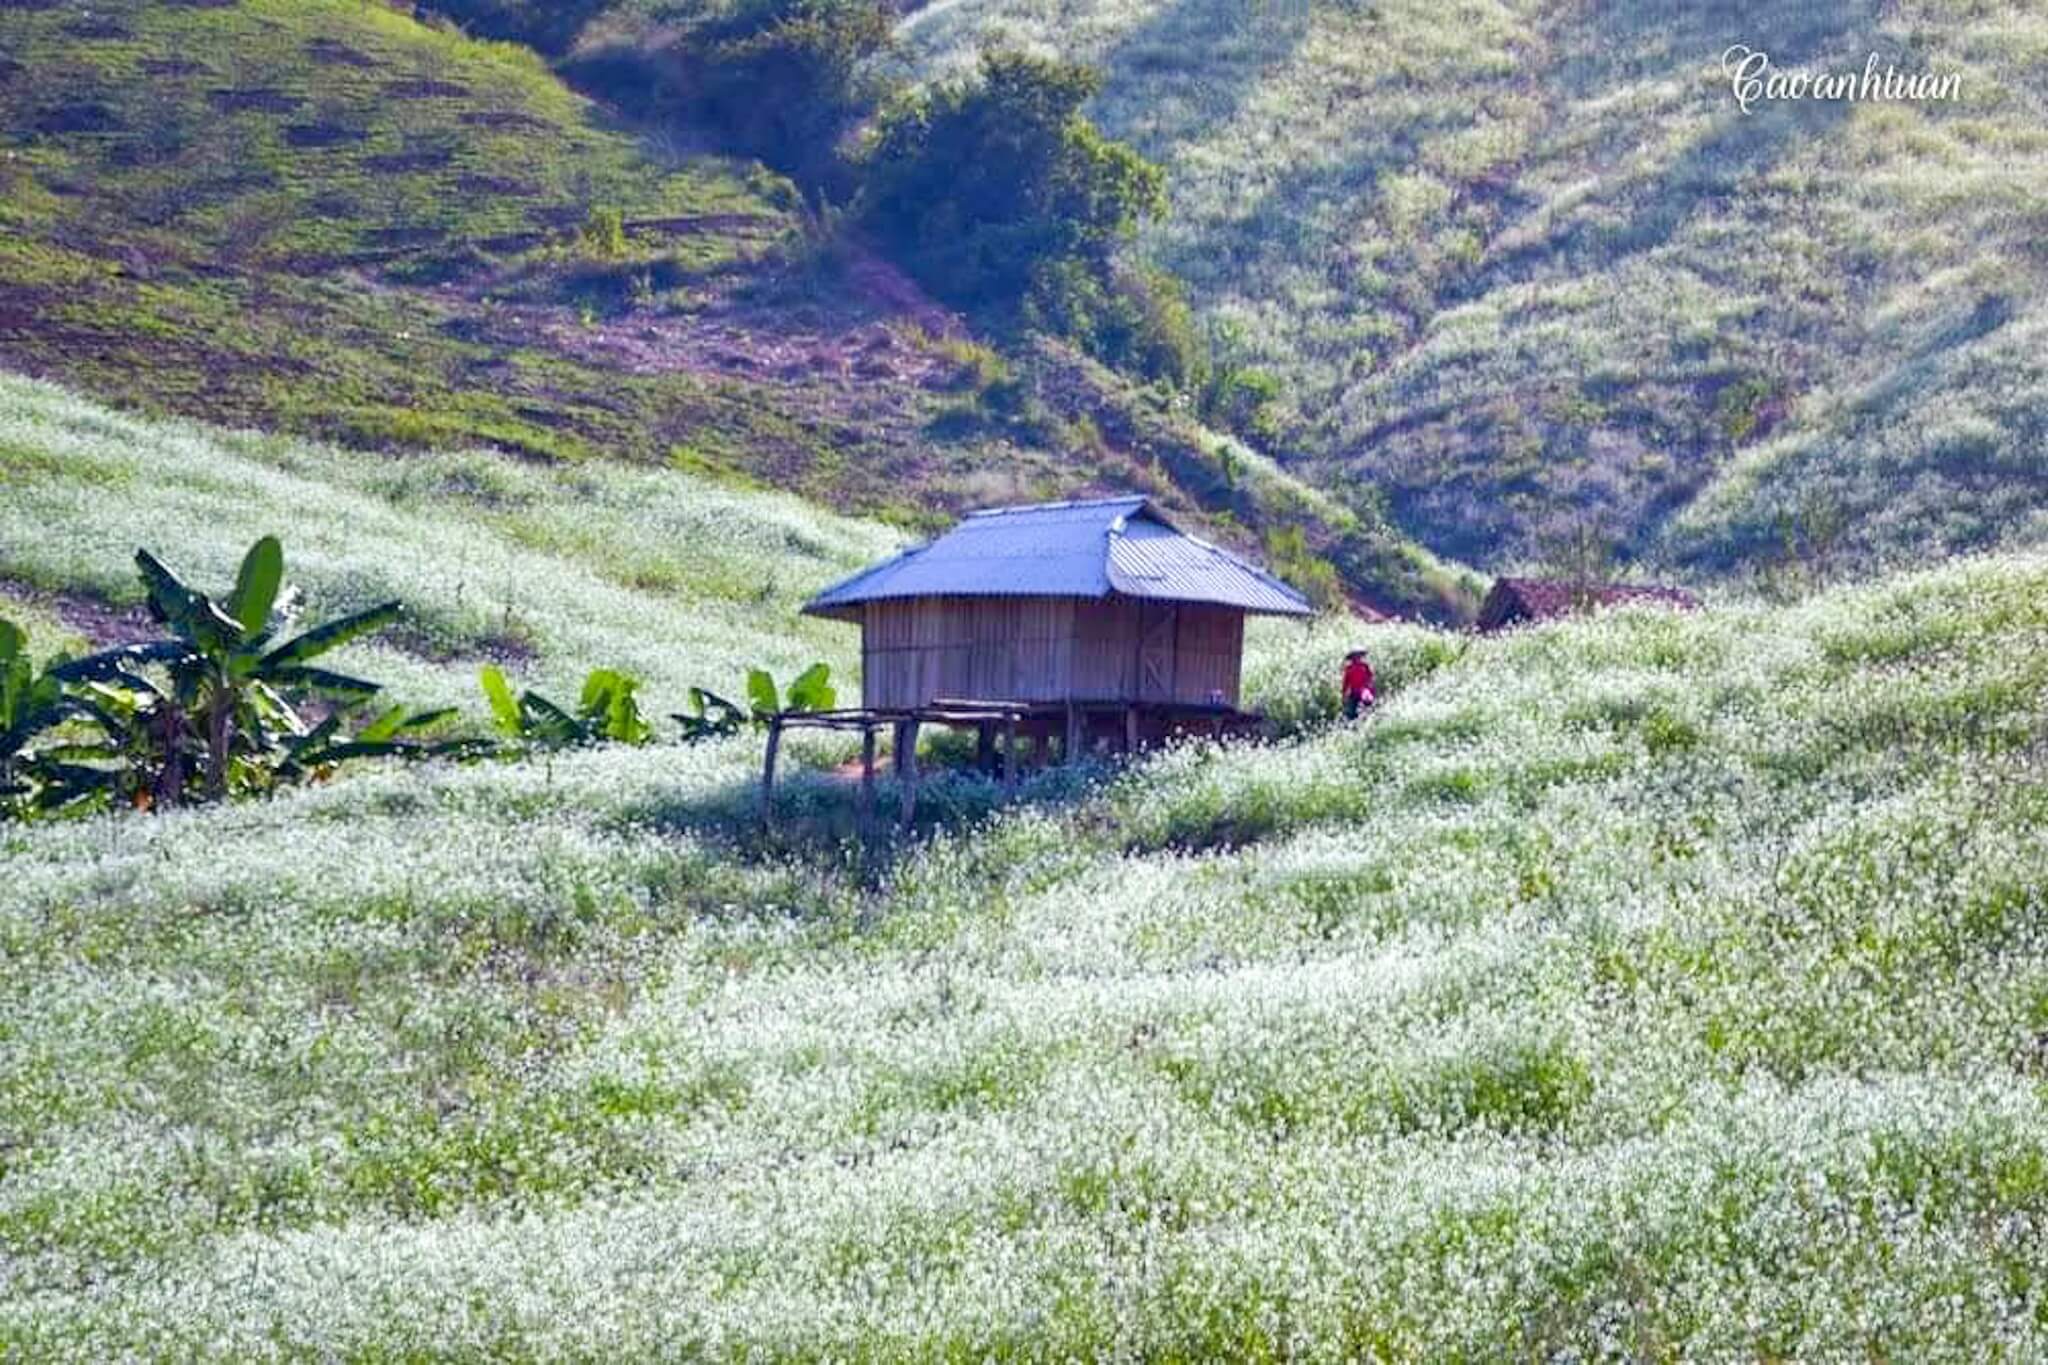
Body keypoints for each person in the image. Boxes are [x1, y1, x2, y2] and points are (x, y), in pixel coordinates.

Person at [1341, 650, 1375, 720]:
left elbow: (1370, 678)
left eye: (1359, 656)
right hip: (1354, 692)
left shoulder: (1365, 666)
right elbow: (1346, 683)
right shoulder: (1349, 668)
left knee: (1368, 706)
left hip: (1364, 691)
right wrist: (1344, 695)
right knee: (1351, 711)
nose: (1357, 658)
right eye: (1355, 656)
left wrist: (1371, 689)